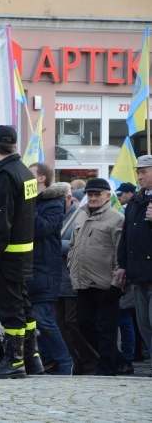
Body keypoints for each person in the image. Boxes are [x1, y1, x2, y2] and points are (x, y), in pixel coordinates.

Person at [0, 126, 39, 380]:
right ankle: (31, 358)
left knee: (10, 309)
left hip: (6, 257)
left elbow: (2, 223)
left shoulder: (3, 176)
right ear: (14, 146)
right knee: (23, 305)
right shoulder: (25, 172)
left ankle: (14, 362)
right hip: (22, 255)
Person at [68, 177, 126, 376]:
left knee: (106, 327)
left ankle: (107, 367)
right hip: (83, 282)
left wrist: (116, 283)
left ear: (107, 196)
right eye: (90, 194)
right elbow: (73, 246)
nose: (92, 198)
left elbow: (121, 253)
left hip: (106, 283)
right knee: (84, 324)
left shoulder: (117, 219)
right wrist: (71, 266)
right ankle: (118, 359)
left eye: (97, 194)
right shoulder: (81, 216)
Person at [28, 163, 73, 375]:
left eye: (30, 173)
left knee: (43, 318)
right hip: (29, 267)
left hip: (45, 268)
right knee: (30, 319)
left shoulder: (55, 203)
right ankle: (43, 360)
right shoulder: (32, 202)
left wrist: (27, 205)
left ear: (41, 179)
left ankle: (64, 361)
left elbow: (42, 228)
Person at [53, 182, 98, 375]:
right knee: (60, 324)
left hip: (72, 278)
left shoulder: (80, 216)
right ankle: (77, 361)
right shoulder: (54, 217)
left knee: (73, 323)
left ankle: (92, 360)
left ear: (69, 198)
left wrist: (53, 245)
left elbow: (78, 246)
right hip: (56, 280)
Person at [117, 155, 152, 376]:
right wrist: (122, 265)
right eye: (138, 171)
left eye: (144, 171)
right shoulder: (136, 202)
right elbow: (126, 237)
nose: (139, 176)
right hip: (138, 273)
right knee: (144, 324)